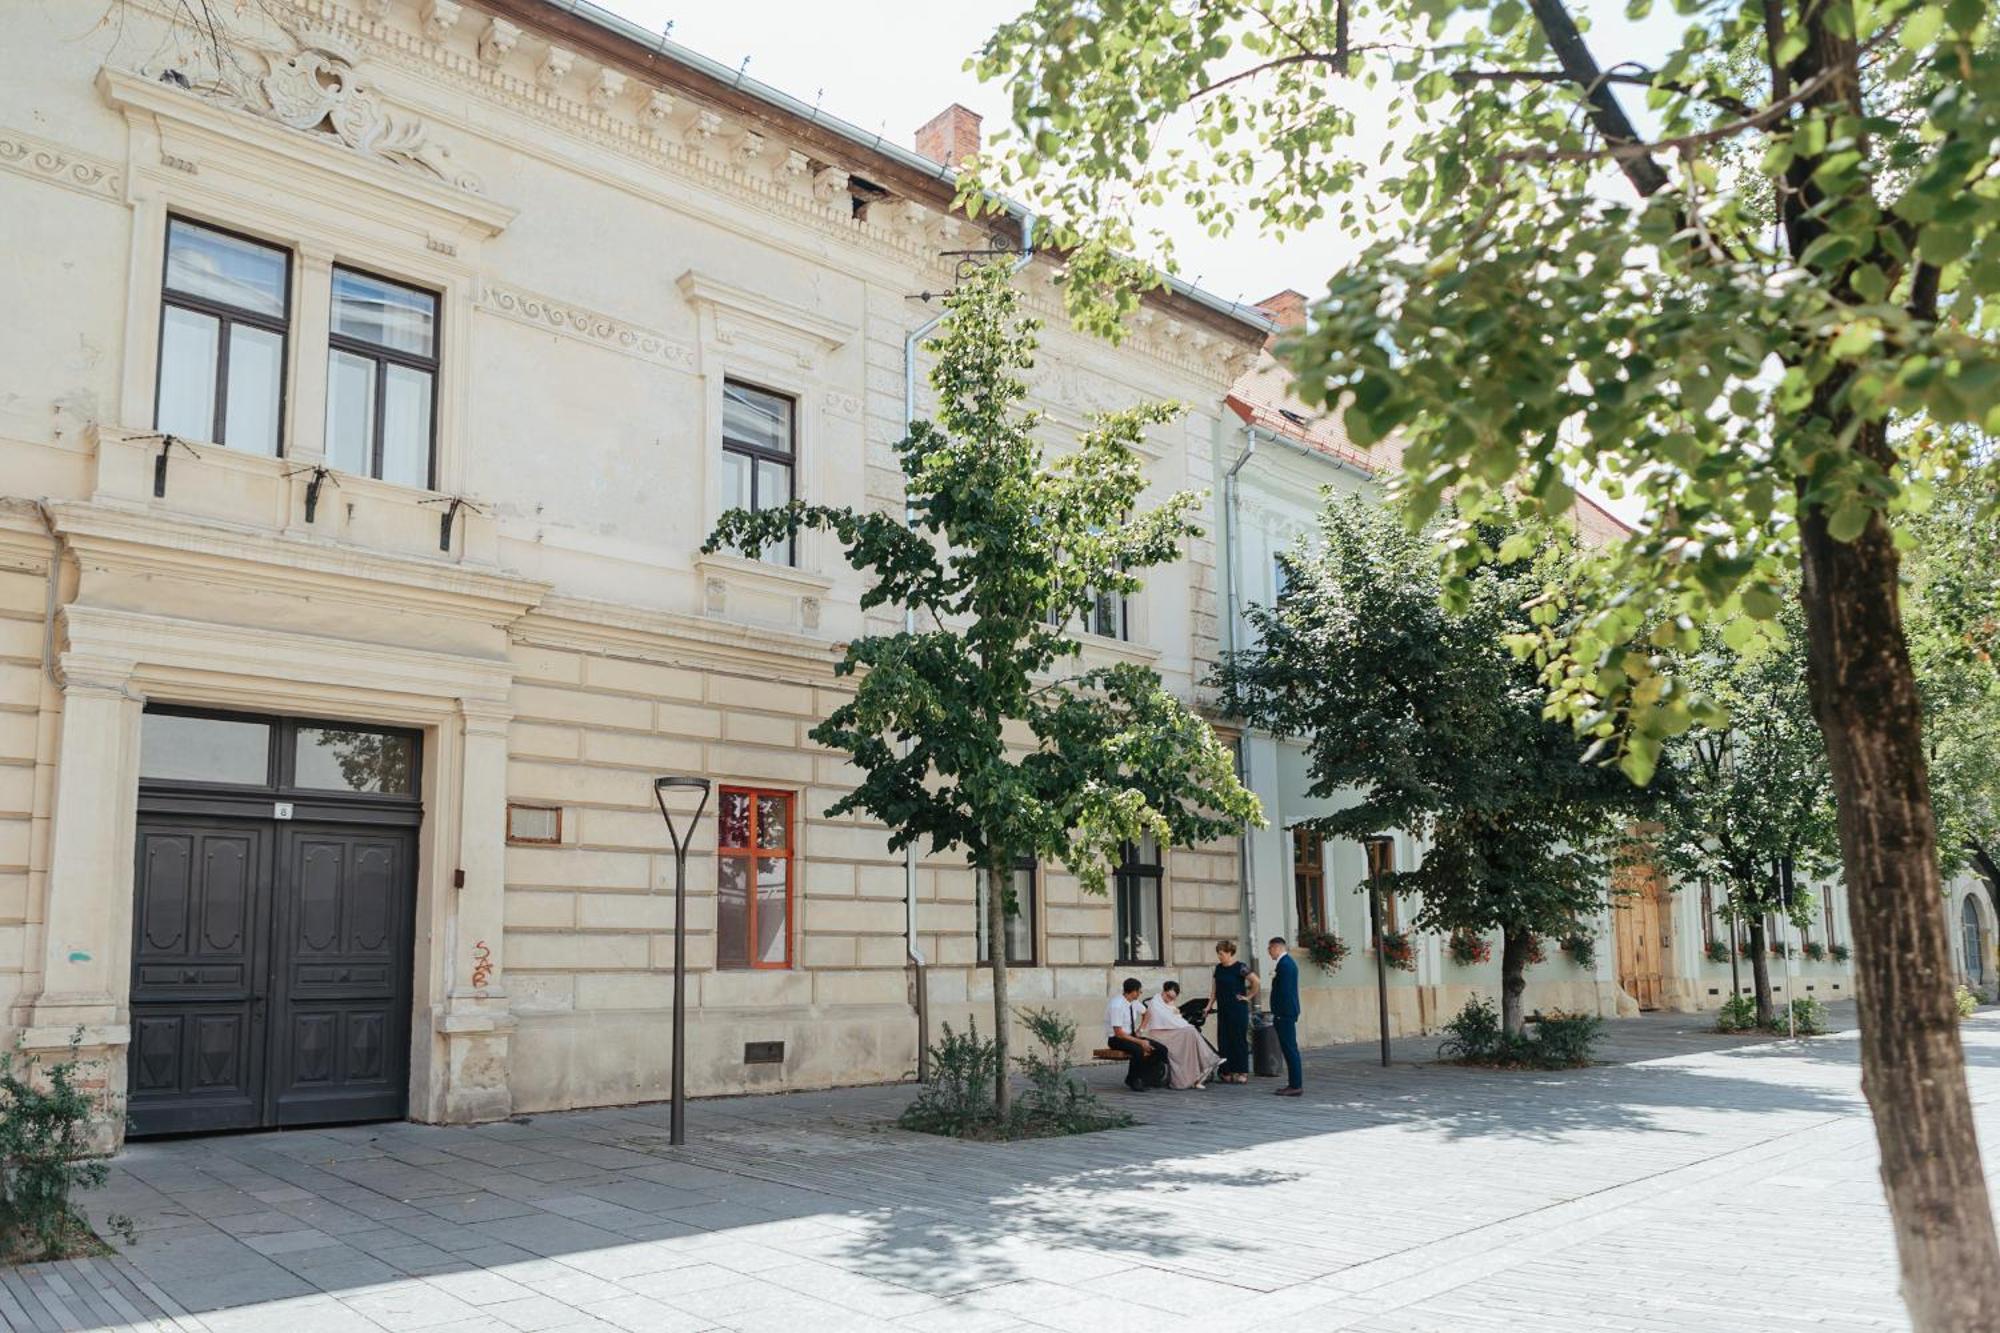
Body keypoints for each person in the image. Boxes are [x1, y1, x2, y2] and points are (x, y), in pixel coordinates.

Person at [1140, 981, 1222, 1089]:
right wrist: (1178, 1017)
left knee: (1190, 1032)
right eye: (1168, 996)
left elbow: (1175, 1019)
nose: (1169, 999)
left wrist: (1177, 1014)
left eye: (1172, 998)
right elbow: (1168, 1020)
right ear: (1163, 991)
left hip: (1171, 1032)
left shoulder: (1168, 1003)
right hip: (1159, 1034)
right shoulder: (1155, 1003)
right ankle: (1207, 1061)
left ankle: (1200, 1072)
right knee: (1190, 1031)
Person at [1104, 978, 1168, 1091]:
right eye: (1139, 991)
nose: (1140, 993)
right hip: (1116, 1039)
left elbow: (1147, 1013)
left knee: (1161, 1049)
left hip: (1131, 1036)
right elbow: (1118, 1033)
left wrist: (1140, 1030)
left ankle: (1149, 1078)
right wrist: (1141, 1041)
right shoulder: (1117, 1005)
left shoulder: (1133, 1002)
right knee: (1138, 1050)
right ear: (1133, 991)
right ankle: (1133, 1079)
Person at [1209, 940, 1259, 1084]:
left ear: (1230, 953)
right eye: (1218, 954)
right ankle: (1226, 1071)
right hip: (1223, 1009)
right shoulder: (1218, 968)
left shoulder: (1240, 967)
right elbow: (1214, 991)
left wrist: (1248, 997)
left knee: (1238, 1039)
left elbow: (1256, 982)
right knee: (1224, 1040)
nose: (1219, 957)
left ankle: (1242, 1071)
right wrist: (1208, 1006)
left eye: (1222, 954)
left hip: (1237, 1009)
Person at [1267, 937, 1303, 1096]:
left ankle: (1295, 1085)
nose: (1269, 952)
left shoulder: (1285, 965)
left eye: (1270, 948)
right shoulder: (1286, 963)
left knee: (1289, 1049)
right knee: (1289, 1048)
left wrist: (1281, 1013)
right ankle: (1294, 1083)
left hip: (1285, 1013)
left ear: (1276, 948)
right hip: (1285, 1012)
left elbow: (1285, 992)